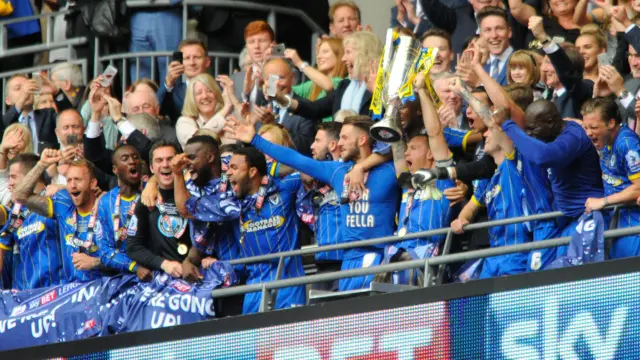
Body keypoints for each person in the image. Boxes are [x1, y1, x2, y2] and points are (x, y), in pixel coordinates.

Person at [226, 115, 399, 291]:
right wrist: (255, 140)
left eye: (345, 138)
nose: (339, 143)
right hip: (348, 263)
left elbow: (401, 146)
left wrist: (362, 166)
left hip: (379, 259)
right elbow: (295, 159)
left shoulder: (390, 170)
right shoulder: (337, 171)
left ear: (362, 140)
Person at [184, 146, 306, 313]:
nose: (228, 173)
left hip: (290, 285)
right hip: (254, 289)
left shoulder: (285, 188)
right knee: (255, 339)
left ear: (252, 171)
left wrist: (271, 164)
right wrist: (173, 176)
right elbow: (185, 208)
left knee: (290, 339)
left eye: (234, 168)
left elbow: (310, 166)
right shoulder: (230, 204)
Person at [451, 110, 530, 278]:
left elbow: (495, 122)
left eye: (489, 130)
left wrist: (462, 89)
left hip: (515, 252)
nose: (484, 134)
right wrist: (461, 219)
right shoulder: (488, 179)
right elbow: (470, 208)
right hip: (493, 256)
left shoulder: (513, 165)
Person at [14, 151, 104, 283]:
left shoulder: (107, 208)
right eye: (69, 180)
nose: (73, 185)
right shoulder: (63, 204)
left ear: (93, 183)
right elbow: (20, 196)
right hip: (70, 295)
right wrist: (42, 164)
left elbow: (126, 258)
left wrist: (95, 262)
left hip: (104, 290)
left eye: (78, 180)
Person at [276, 31, 382, 119]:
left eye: (348, 52)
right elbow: (315, 109)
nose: (343, 59)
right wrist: (282, 99)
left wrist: (375, 90)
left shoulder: (383, 86)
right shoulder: (344, 86)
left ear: (364, 54)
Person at [582, 97, 640, 259]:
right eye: (585, 127)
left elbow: (639, 186)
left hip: (634, 226)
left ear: (611, 123)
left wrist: (603, 202)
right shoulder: (605, 141)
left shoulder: (626, 144)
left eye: (593, 127)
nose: (588, 133)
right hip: (617, 222)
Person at [127, 141, 190, 278]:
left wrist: (197, 259)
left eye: (170, 159)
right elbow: (133, 247)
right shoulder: (146, 200)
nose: (165, 165)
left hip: (197, 271)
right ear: (151, 167)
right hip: (164, 277)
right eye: (159, 160)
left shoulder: (194, 192)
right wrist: (163, 264)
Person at [0, 154, 63, 290]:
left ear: (31, 176)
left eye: (13, 177)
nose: (9, 183)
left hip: (56, 293)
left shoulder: (56, 199)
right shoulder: (17, 212)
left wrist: (65, 187)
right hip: (26, 298)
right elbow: (2, 246)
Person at [95, 144, 151, 280]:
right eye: (125, 158)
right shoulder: (105, 202)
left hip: (155, 271)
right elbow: (105, 251)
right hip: (122, 276)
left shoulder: (150, 194)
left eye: (135, 157)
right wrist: (133, 266)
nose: (132, 161)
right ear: (114, 169)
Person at [529, 16, 594, 119]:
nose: (544, 69)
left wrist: (543, 38)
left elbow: (567, 73)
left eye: (550, 63)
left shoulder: (580, 91)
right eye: (543, 63)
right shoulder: (545, 95)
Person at [256, 58, 316, 155]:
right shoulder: (261, 109)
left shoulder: (306, 108)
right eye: (271, 79)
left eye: (281, 78)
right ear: (264, 81)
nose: (276, 84)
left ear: (292, 78)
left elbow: (306, 147)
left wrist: (275, 125)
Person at [3, 74, 72, 153]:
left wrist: (57, 92)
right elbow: (5, 123)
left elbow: (71, 119)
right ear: (8, 100)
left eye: (28, 86)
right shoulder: (6, 120)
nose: (26, 91)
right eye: (18, 88)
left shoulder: (48, 114)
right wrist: (21, 100)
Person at [286, 38, 348, 122]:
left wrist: (299, 63)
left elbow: (329, 85)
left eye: (325, 52)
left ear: (339, 55)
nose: (318, 57)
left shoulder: (344, 82)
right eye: (318, 53)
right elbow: (286, 89)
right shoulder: (313, 85)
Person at [157, 40, 211, 122]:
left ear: (207, 62)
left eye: (197, 57)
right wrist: (168, 84)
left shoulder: (221, 88)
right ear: (180, 63)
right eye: (187, 58)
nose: (192, 63)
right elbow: (158, 111)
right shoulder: (174, 92)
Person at [176, 73, 233, 149]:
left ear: (216, 94)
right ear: (192, 99)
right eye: (199, 93)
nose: (205, 96)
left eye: (209, 91)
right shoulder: (184, 122)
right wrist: (226, 107)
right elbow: (198, 143)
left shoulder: (230, 120)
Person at [477, 7, 514, 86]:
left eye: (499, 28)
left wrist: (478, 83)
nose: (494, 35)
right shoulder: (480, 69)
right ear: (481, 35)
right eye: (488, 30)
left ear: (509, 32)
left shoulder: (524, 61)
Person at [0, 124, 34, 206]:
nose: (12, 144)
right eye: (10, 139)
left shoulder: (34, 167)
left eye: (18, 139)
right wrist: (3, 150)